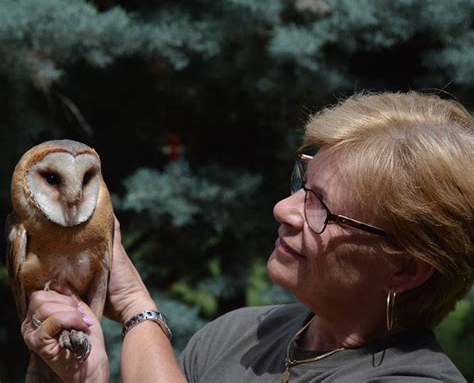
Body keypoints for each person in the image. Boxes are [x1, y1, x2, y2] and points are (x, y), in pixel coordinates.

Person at [21, 91, 473, 382]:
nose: (284, 209)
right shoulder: (238, 336)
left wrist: (137, 308)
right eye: (303, 183)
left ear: (405, 268)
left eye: (322, 208)